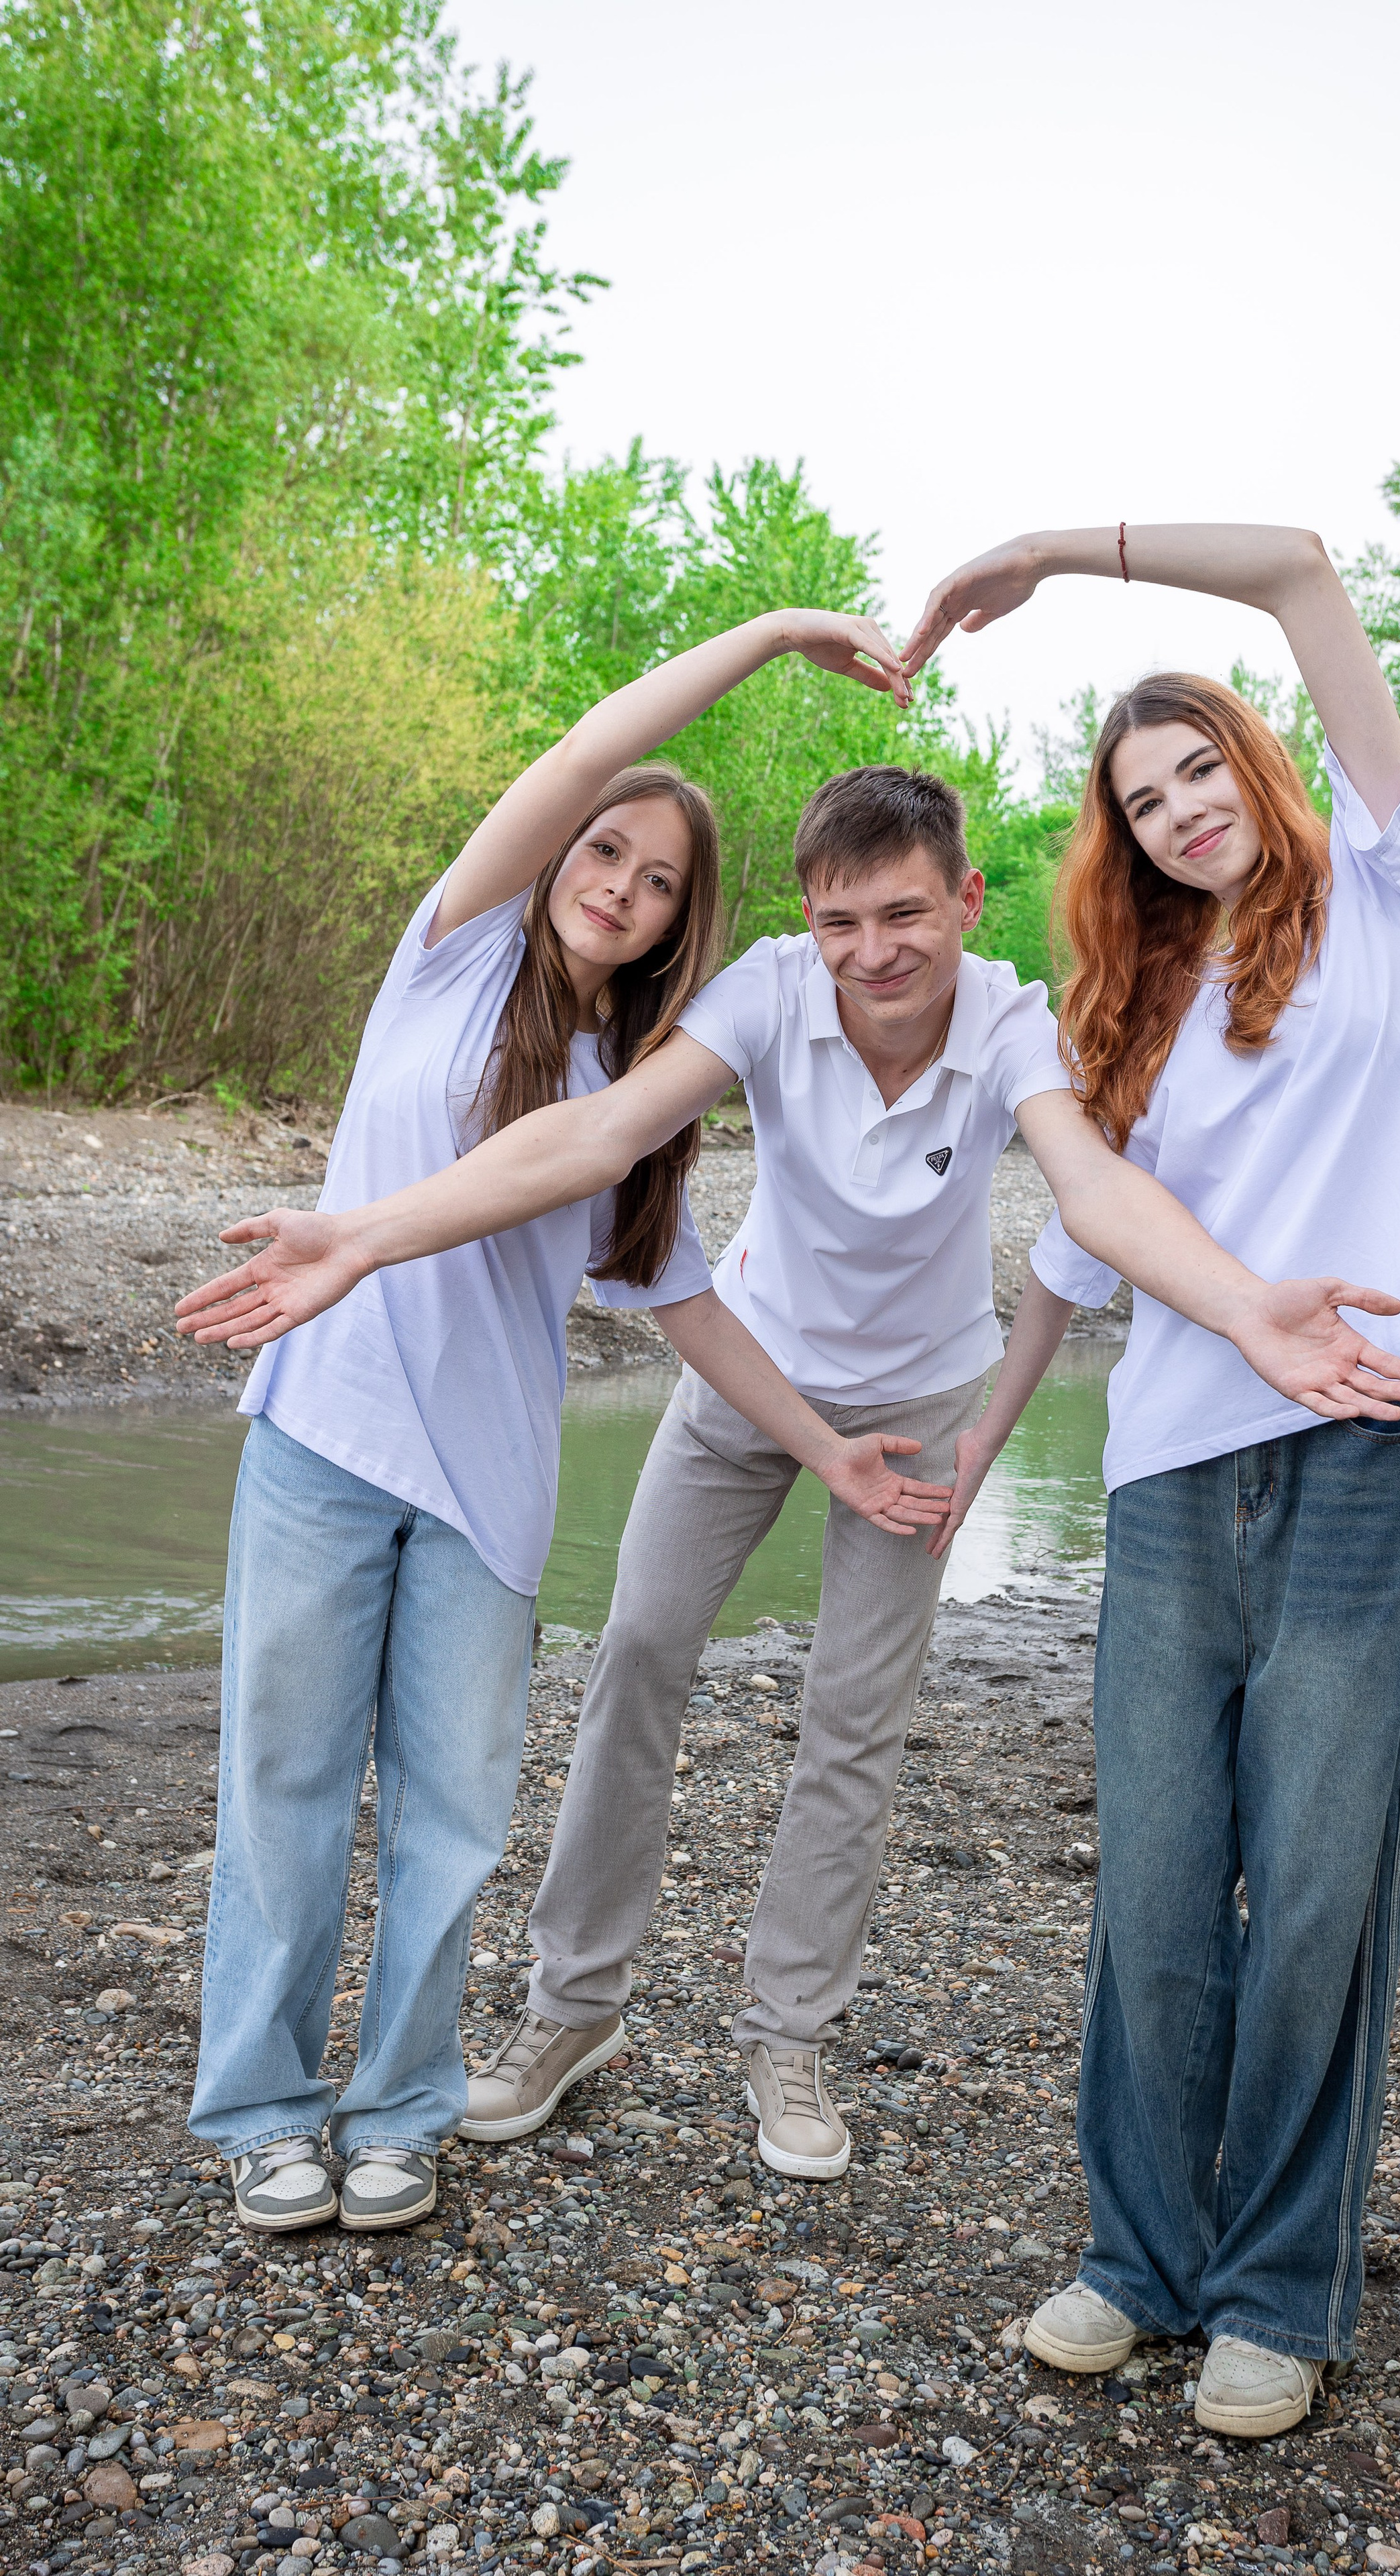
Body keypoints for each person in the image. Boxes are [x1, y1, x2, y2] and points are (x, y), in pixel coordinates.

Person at [181, 728, 1400, 2197]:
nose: (870, 950)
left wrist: (1028, 1416)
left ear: (965, 901)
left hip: (921, 1400)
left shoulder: (1016, 1027)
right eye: (839, 920)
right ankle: (569, 2011)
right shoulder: (769, 991)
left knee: (854, 1717)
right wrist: (368, 1230)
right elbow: (602, 1133)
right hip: (752, 1382)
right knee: (638, 1647)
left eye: (902, 915)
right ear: (804, 920)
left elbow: (1084, 1200)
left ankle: (788, 2036)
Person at [187, 607, 967, 2238]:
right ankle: (264, 2111)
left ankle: (401, 2105)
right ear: (558, 853)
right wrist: (764, 642)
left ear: (681, 919)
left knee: (457, 1813)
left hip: (489, 1488)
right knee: (287, 1786)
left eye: (661, 878)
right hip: (323, 1441)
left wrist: (827, 1449)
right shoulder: (449, 949)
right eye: (604, 849)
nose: (619, 880)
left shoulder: (636, 1087)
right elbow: (589, 749)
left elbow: (690, 1307)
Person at [898, 519, 1400, 2437]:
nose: (1177, 814)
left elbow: (1308, 574)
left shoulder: (1397, 895)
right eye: (1141, 803)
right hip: (1167, 1484)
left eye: (1199, 770)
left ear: (1263, 761)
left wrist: (1056, 553)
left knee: (1317, 1890)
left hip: (1360, 1448)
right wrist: (975, 1454)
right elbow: (1080, 1266)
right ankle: (1137, 2259)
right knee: (1156, 1887)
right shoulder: (1130, 1009)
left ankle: (1275, 2297)